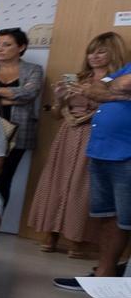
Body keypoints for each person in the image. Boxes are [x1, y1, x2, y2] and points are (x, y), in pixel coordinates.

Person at [56, 48, 131, 298]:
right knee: (110, 219)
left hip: (127, 154)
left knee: (124, 221)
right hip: (106, 153)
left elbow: (104, 88)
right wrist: (113, 91)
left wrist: (110, 91)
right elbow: (96, 89)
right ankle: (106, 286)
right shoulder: (125, 69)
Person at [30, 34, 124, 258]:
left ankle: (78, 239)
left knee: (84, 186)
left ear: (114, 53)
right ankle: (50, 233)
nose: (94, 56)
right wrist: (61, 98)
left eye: (101, 51)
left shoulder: (118, 81)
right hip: (68, 134)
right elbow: (55, 114)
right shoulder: (79, 78)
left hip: (96, 134)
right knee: (57, 182)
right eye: (91, 52)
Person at [0, 27, 45, 202]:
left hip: (18, 132)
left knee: (4, 179)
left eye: (7, 45)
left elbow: (30, 94)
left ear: (21, 47)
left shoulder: (33, 69)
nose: (0, 49)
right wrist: (14, 97)